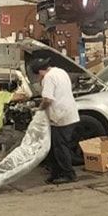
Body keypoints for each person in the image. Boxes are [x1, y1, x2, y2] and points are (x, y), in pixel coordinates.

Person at [31, 56, 81, 184]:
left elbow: (47, 99)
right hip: (70, 113)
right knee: (55, 146)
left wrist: (39, 110)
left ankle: (69, 174)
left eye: (38, 76)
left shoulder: (48, 77)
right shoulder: (60, 71)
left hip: (61, 117)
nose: (38, 79)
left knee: (60, 147)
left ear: (40, 72)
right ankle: (56, 173)